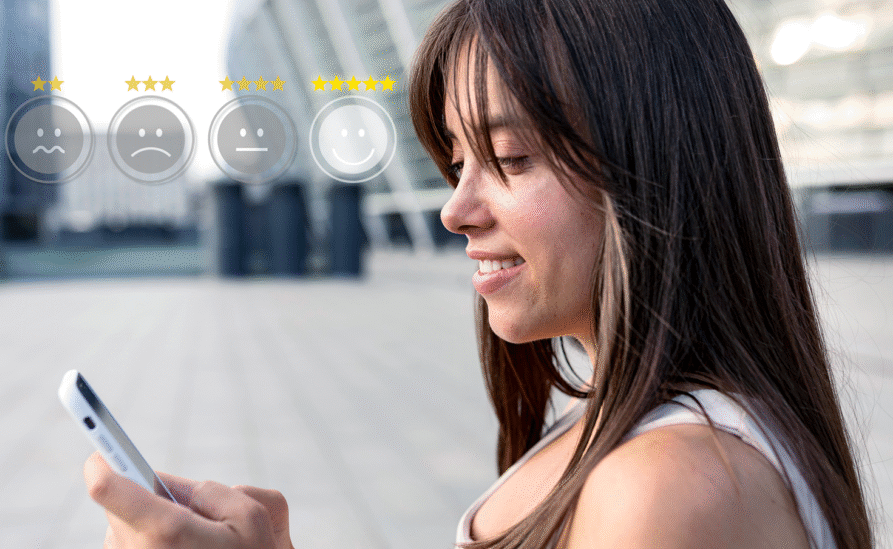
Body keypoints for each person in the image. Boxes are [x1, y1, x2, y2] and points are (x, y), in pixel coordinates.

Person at [82, 0, 875, 547]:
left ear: (655, 168)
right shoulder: (640, 427)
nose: (456, 210)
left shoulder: (669, 487)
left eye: (510, 158)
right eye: (457, 161)